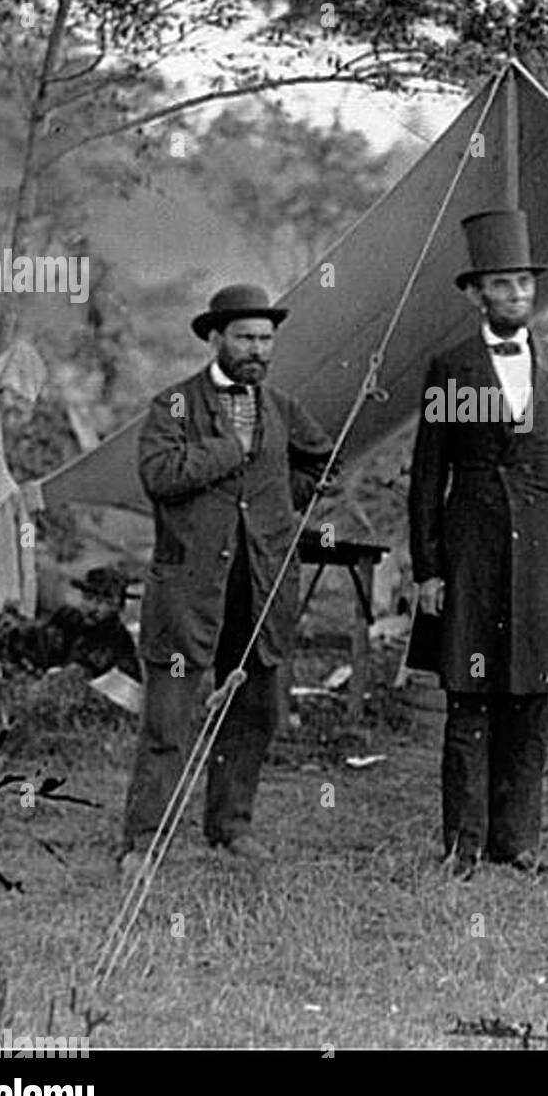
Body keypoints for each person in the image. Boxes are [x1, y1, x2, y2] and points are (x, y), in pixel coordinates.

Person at [119, 284, 332, 876]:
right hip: (188, 591)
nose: (256, 350)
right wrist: (228, 450)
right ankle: (144, 840)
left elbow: (323, 459)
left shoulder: (284, 409)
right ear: (216, 338)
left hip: (259, 586)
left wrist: (277, 508)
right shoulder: (175, 406)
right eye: (244, 337)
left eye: (265, 339)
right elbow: (158, 475)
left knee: (252, 709)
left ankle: (230, 825)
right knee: (169, 717)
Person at [408, 209, 548, 881]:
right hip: (470, 554)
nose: (518, 296)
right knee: (470, 697)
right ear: (475, 294)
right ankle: (462, 844)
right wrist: (428, 567)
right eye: (503, 285)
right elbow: (429, 474)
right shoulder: (450, 368)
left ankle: (518, 842)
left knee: (531, 700)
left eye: (524, 284)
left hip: (542, 558)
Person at [0, 566, 140, 680]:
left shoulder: (117, 639)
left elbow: (82, 671)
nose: (92, 608)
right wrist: (19, 629)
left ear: (118, 607)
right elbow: (44, 640)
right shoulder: (69, 617)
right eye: (88, 598)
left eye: (101, 602)